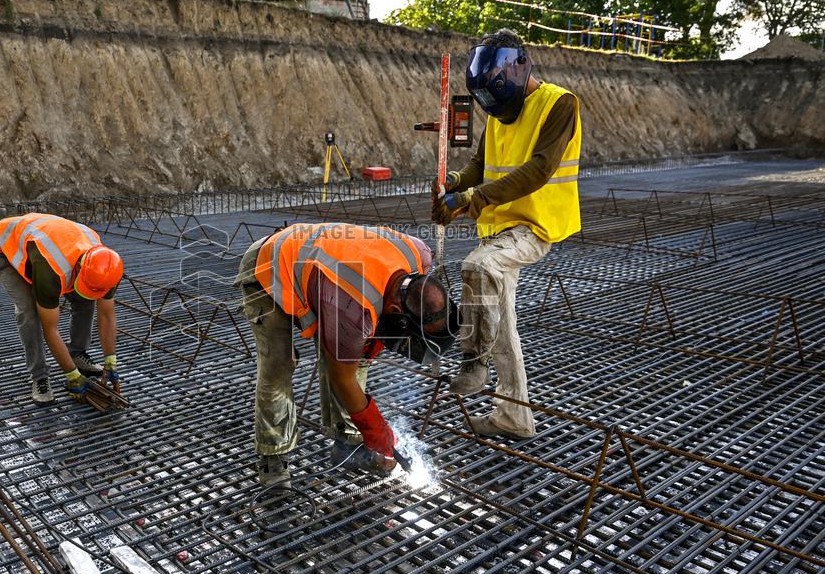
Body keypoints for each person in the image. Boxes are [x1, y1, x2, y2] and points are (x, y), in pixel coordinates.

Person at [433, 28, 582, 441]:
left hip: (534, 225)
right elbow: (480, 165)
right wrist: (454, 182)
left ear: (519, 67)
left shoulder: (560, 104)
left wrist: (473, 197)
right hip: (498, 227)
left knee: (478, 267)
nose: (495, 112)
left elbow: (539, 170)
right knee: (501, 324)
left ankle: (473, 360)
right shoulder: (500, 114)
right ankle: (514, 416)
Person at [235, 222, 457, 488]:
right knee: (279, 366)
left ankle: (348, 445)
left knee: (356, 355)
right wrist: (376, 429)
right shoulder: (353, 308)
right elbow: (342, 378)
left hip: (321, 268)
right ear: (397, 312)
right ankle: (273, 459)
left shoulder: (418, 255)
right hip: (268, 266)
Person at [0, 213, 124, 404]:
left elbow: (106, 315)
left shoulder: (107, 267)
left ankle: (77, 354)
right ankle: (39, 376)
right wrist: (72, 376)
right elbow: (50, 329)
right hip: (2, 248)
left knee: (85, 299)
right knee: (29, 311)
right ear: (80, 268)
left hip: (45, 240)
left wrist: (111, 360)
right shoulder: (51, 270)